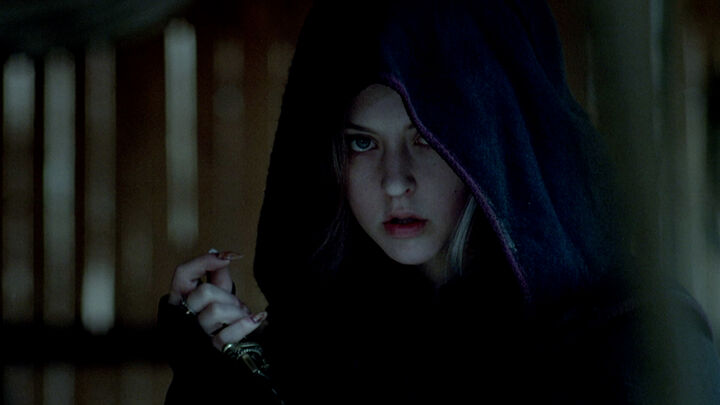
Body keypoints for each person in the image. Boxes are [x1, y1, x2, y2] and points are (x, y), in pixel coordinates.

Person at [158, 0, 720, 404]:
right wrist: (219, 373)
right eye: (362, 143)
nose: (394, 182)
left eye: (427, 139)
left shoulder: (632, 339)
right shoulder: (317, 346)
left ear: (494, 144)